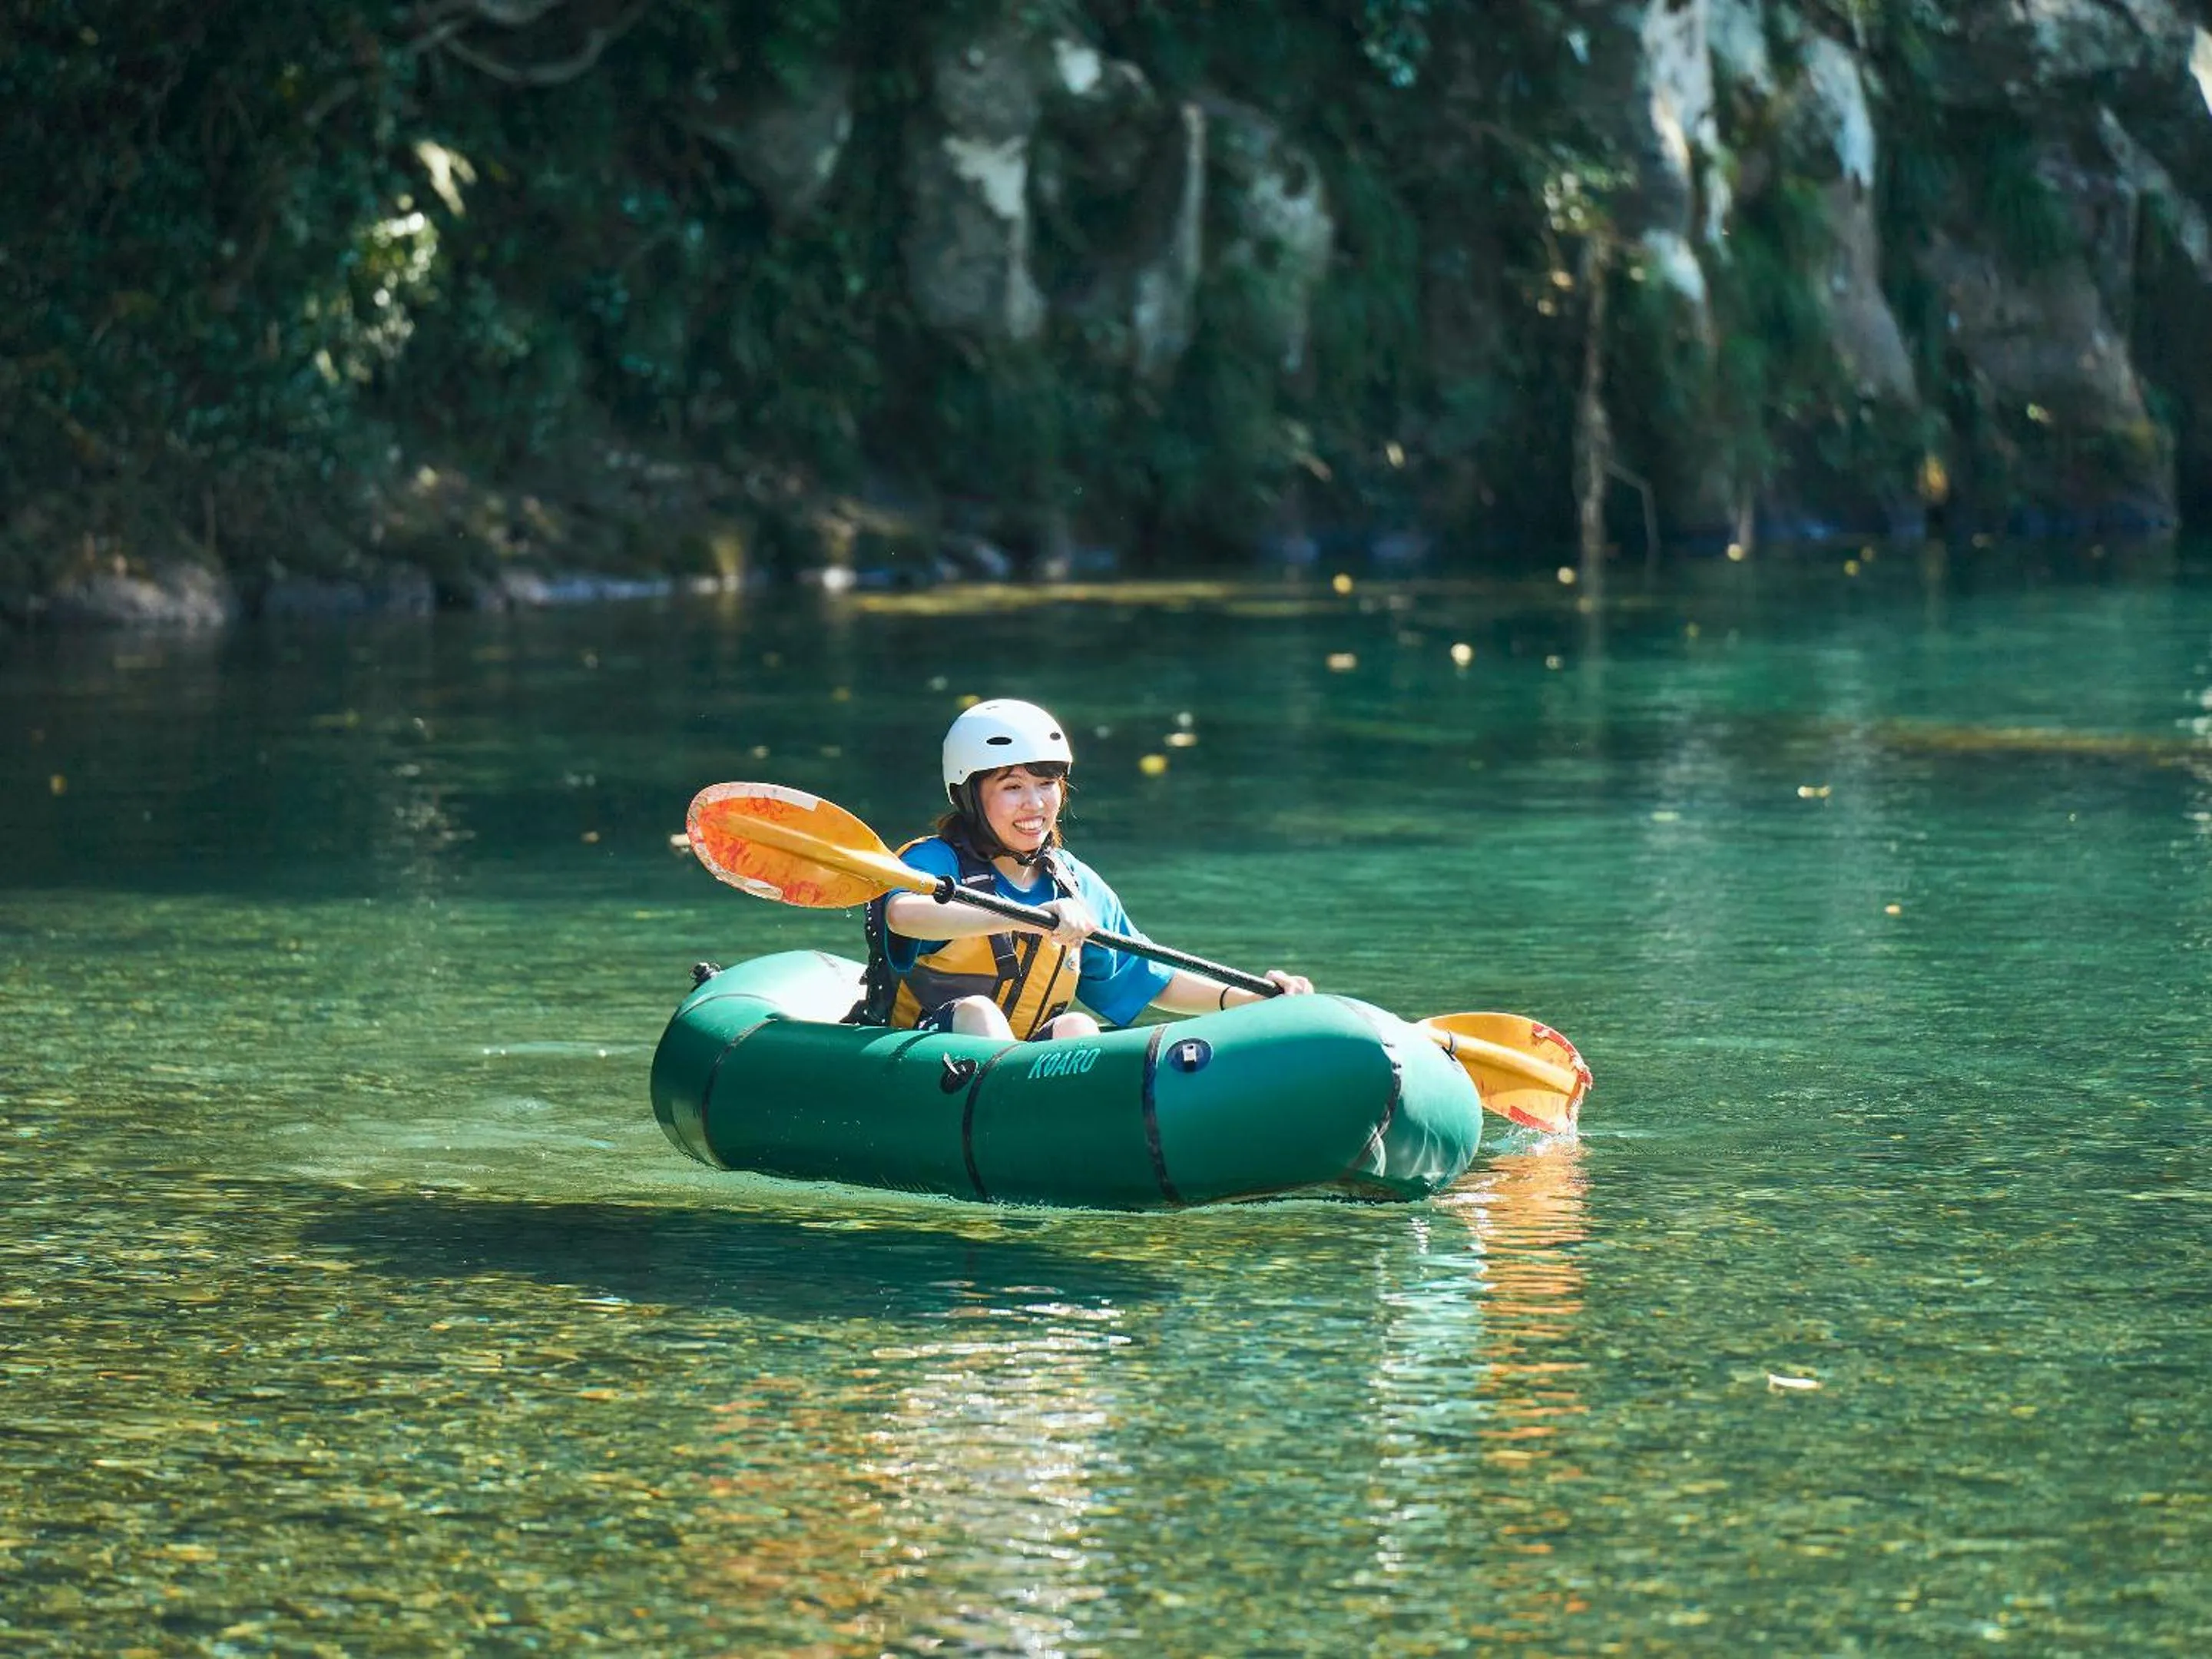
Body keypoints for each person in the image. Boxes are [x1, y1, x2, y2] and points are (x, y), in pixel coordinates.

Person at [856, 697, 1313, 1041]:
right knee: (978, 1012)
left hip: (1016, 1069)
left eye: (1046, 784)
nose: (1035, 803)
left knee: (1076, 1025)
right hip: (916, 1055)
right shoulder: (935, 861)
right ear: (970, 796)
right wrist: (1025, 918)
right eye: (1012, 787)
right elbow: (904, 915)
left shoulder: (1074, 885)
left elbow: (1152, 979)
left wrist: (1252, 999)